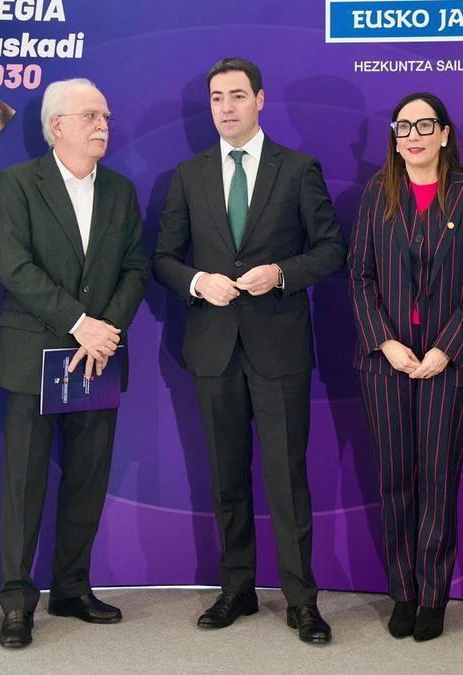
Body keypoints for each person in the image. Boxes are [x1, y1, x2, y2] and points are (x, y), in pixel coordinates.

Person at [152, 57, 346, 644]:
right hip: (212, 348)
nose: (226, 107)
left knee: (287, 479)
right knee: (226, 477)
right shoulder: (188, 175)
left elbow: (332, 248)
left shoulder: (298, 169)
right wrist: (196, 282)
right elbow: (163, 259)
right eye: (217, 97)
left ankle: (302, 601)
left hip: (278, 348)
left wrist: (282, 273)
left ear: (260, 100)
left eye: (237, 95)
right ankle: (236, 589)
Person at [0, 78, 149, 649]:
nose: (103, 125)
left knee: (88, 477)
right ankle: (16, 602)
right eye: (90, 116)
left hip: (97, 359)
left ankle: (72, 588)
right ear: (57, 126)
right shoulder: (17, 183)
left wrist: (104, 332)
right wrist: (80, 323)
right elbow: (13, 266)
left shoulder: (121, 191)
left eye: (105, 116)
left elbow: (136, 268)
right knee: (24, 482)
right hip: (34, 354)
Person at [349, 91, 463, 641]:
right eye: (403, 127)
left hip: (449, 364)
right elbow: (359, 275)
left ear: (444, 134)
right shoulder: (377, 193)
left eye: (424, 125)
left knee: (437, 480)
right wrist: (384, 342)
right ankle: (403, 592)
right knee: (394, 480)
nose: (413, 136)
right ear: (394, 138)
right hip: (386, 363)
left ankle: (433, 596)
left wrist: (447, 348)